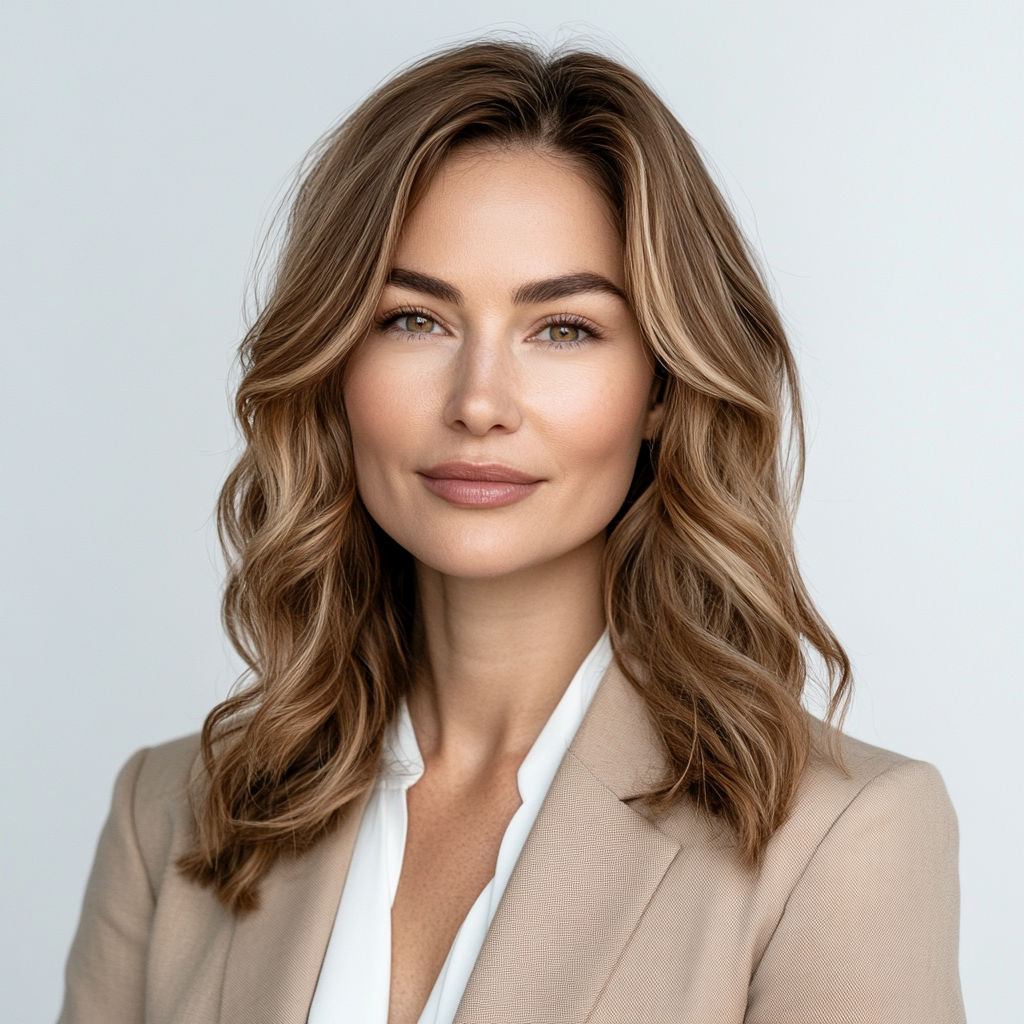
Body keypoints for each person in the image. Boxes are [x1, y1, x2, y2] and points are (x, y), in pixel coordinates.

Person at [58, 40, 965, 1024]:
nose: (479, 402)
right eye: (414, 320)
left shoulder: (839, 838)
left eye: (563, 328)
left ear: (660, 386)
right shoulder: (168, 815)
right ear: (331, 362)